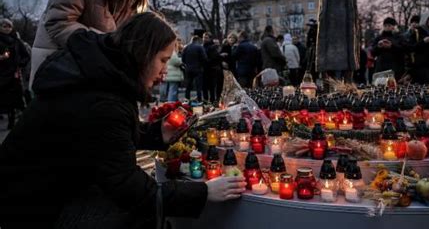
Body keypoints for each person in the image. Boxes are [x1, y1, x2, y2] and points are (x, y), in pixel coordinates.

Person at [0, 12, 246, 229]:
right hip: (35, 207)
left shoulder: (102, 75)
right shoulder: (102, 98)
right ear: (143, 53)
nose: (164, 70)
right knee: (137, 216)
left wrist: (155, 134)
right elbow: (127, 186)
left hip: (40, 189)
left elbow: (102, 139)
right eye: (162, 60)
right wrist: (203, 192)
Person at [0, 19, 30, 129]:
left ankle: (13, 122)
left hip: (15, 74)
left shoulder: (17, 41)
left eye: (9, 26)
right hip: (2, 74)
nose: (7, 28)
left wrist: (20, 65)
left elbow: (26, 55)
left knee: (15, 98)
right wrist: (1, 57)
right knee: (4, 98)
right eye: (4, 26)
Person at [182, 36, 207, 102]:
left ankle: (187, 100)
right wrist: (201, 65)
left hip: (188, 69)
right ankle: (199, 100)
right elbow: (204, 58)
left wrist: (187, 64)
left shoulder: (186, 47)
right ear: (198, 40)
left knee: (188, 86)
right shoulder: (200, 47)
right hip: (198, 69)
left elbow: (183, 59)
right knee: (198, 86)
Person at [202, 32, 223, 103]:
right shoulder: (203, 46)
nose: (204, 39)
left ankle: (212, 100)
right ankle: (206, 100)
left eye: (206, 37)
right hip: (205, 70)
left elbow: (214, 58)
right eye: (203, 37)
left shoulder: (212, 47)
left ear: (210, 39)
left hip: (211, 70)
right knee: (204, 87)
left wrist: (205, 60)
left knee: (211, 87)